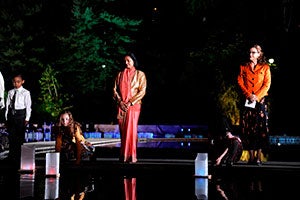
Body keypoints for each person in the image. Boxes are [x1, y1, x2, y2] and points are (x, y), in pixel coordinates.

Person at [237, 44, 271, 165]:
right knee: (248, 128)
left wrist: (256, 96)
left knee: (260, 129)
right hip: (247, 101)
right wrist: (248, 95)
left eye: (253, 52)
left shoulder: (265, 67)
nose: (250, 54)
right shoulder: (243, 66)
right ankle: (251, 156)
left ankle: (259, 157)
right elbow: (240, 81)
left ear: (259, 54)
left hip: (260, 101)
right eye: (250, 52)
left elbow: (267, 84)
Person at [113, 52, 147, 163]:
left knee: (131, 131)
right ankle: (123, 155)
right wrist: (120, 101)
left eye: (128, 60)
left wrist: (130, 102)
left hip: (134, 106)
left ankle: (131, 156)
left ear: (133, 60)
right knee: (123, 131)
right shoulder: (120, 74)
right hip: (121, 106)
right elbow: (114, 90)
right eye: (125, 61)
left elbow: (142, 91)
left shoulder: (140, 74)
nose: (126, 63)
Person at [5, 73, 32, 166]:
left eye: (18, 82)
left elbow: (28, 106)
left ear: (22, 82)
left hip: (21, 115)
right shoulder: (10, 92)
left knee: (19, 137)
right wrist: (6, 118)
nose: (16, 84)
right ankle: (11, 155)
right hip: (12, 115)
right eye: (14, 82)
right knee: (11, 136)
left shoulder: (26, 93)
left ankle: (19, 156)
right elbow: (7, 106)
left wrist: (27, 118)